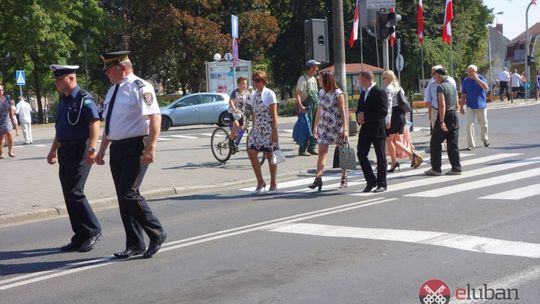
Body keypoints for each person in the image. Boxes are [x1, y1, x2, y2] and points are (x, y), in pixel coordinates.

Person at [95, 51, 166, 259]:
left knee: (129, 193)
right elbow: (109, 123)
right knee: (122, 197)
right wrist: (102, 150)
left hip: (136, 145)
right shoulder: (112, 91)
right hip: (117, 147)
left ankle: (157, 232)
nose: (107, 74)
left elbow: (155, 118)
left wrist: (151, 148)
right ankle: (135, 243)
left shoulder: (140, 87)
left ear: (122, 69)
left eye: (109, 70)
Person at [46, 65, 102, 252]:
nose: (56, 83)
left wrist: (93, 148)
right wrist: (53, 149)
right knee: (68, 194)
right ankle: (80, 235)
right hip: (66, 150)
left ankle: (93, 230)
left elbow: (94, 122)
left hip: (81, 148)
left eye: (59, 79)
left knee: (75, 191)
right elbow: (60, 129)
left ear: (70, 78)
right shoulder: (63, 100)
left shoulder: (84, 98)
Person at [307, 71, 348, 191]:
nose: (319, 81)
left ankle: (344, 177)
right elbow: (319, 111)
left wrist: (345, 129)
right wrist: (315, 126)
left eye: (320, 79)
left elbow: (342, 112)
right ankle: (318, 178)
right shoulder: (321, 92)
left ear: (326, 80)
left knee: (342, 151)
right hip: (324, 126)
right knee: (322, 152)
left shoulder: (338, 94)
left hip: (337, 126)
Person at [382, 70, 423, 172]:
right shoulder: (399, 88)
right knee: (395, 140)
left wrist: (387, 120)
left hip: (393, 116)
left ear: (389, 78)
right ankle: (412, 155)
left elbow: (389, 106)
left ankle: (394, 162)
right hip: (400, 115)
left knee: (389, 140)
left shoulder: (388, 89)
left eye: (384, 78)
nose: (383, 80)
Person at [247, 70, 279, 194]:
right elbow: (254, 114)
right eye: (254, 80)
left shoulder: (270, 94)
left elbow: (274, 114)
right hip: (257, 130)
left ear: (264, 81)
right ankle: (260, 181)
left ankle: (273, 183)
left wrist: (275, 131)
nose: (255, 82)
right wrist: (253, 129)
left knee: (270, 155)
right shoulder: (254, 95)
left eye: (258, 80)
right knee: (251, 152)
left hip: (269, 129)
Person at [356, 71, 388, 193]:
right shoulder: (363, 93)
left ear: (366, 79)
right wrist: (358, 117)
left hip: (377, 129)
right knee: (361, 153)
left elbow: (383, 111)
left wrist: (366, 116)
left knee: (380, 157)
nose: (359, 82)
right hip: (365, 129)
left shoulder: (379, 92)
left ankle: (382, 183)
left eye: (360, 79)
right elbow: (360, 109)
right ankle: (370, 181)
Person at [425, 68, 462, 176]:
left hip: (445, 115)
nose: (433, 78)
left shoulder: (440, 87)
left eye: (434, 76)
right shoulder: (452, 85)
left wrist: (441, 121)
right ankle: (456, 168)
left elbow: (442, 104)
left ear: (439, 75)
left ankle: (436, 169)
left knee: (435, 142)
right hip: (454, 115)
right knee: (452, 143)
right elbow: (456, 100)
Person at [459, 64, 489, 151]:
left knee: (484, 123)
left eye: (470, 72)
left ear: (475, 72)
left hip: (481, 105)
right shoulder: (465, 81)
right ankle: (471, 144)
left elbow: (486, 87)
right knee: (469, 124)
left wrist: (477, 79)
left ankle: (485, 139)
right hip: (470, 106)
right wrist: (461, 107)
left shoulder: (481, 78)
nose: (469, 74)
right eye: (468, 72)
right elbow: (463, 94)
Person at [295, 59, 320, 156]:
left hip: (315, 106)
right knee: (306, 127)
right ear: (309, 68)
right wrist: (300, 106)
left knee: (315, 126)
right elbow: (297, 94)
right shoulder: (302, 79)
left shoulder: (314, 79)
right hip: (306, 106)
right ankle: (302, 149)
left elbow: (316, 94)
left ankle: (312, 147)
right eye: (315, 67)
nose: (317, 69)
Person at [0, 83, 19, 158]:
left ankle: (10, 151)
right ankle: (1, 153)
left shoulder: (7, 98)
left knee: (9, 134)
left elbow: (10, 109)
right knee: (0, 137)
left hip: (6, 119)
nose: (1, 91)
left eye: (2, 89)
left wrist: (13, 120)